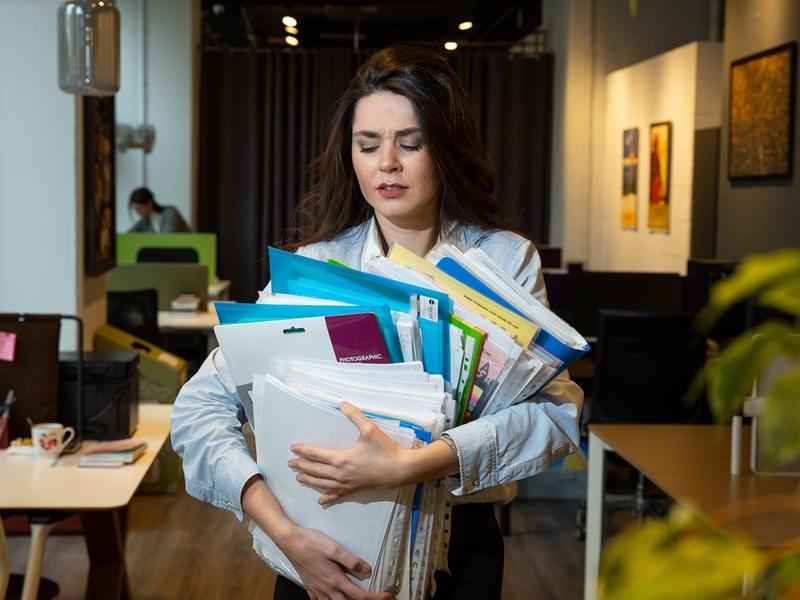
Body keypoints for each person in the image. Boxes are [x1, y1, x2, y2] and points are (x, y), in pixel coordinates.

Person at [171, 45, 583, 600]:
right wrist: (281, 531)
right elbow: (199, 408)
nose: (387, 162)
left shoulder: (504, 261)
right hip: (316, 540)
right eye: (368, 145)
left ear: (448, 149)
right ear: (351, 157)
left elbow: (554, 414)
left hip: (457, 548)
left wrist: (412, 465)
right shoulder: (315, 268)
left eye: (410, 143)